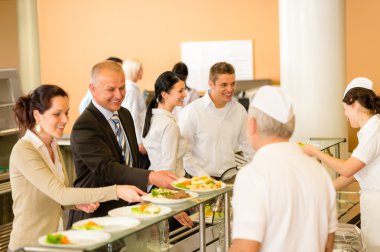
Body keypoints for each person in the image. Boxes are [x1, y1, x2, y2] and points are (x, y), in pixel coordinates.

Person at [8, 84, 145, 251]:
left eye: (66, 113)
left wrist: (75, 205)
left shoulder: (52, 145)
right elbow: (61, 193)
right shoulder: (24, 150)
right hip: (28, 246)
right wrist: (115, 191)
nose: (65, 120)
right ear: (37, 115)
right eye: (57, 114)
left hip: (55, 242)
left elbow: (56, 195)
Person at [67, 61, 178, 227]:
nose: (118, 95)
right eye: (111, 89)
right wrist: (151, 176)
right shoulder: (85, 124)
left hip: (127, 214)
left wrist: (157, 192)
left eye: (122, 88)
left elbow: (133, 162)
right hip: (96, 217)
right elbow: (107, 169)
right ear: (93, 89)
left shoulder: (124, 114)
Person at [229, 86, 337, 252]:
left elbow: (245, 249)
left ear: (252, 125)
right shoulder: (319, 172)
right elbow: (328, 245)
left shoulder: (253, 175)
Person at [301, 77, 380, 248]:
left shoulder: (374, 130)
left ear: (354, 104)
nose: (345, 115)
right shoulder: (370, 130)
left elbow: (346, 169)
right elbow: (352, 174)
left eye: (345, 109)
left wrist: (315, 152)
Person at [142, 71, 198, 228]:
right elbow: (168, 169)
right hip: (169, 191)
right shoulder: (169, 125)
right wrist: (175, 206)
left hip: (156, 190)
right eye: (180, 91)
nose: (185, 94)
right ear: (165, 95)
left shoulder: (153, 118)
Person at [178, 62, 254, 178]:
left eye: (232, 84)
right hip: (200, 182)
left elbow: (248, 145)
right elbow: (183, 152)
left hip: (230, 178)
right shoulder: (192, 112)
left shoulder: (239, 111)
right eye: (224, 85)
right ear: (211, 84)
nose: (230, 89)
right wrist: (204, 178)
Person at [121, 58, 147, 155]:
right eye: (139, 70)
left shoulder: (132, 89)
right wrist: (139, 142)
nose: (142, 72)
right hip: (137, 141)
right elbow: (133, 118)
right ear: (133, 71)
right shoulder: (131, 91)